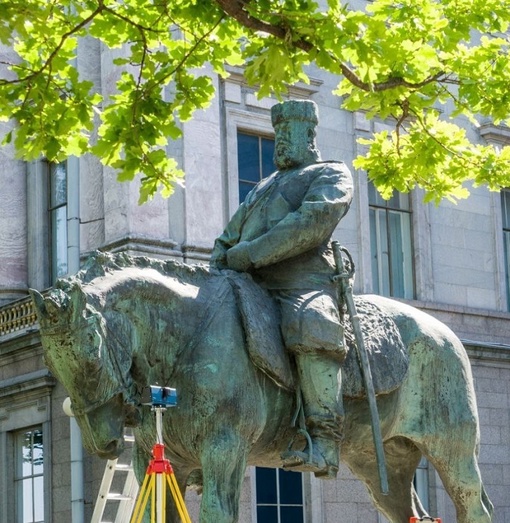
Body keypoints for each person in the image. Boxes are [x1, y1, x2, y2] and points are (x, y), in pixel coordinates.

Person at [210, 100, 353, 479]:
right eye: (279, 135)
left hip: (302, 283)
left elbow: (310, 224)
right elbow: (228, 237)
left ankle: (323, 441)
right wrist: (220, 263)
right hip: (249, 284)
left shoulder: (330, 174)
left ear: (309, 135)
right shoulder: (262, 187)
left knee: (312, 321)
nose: (281, 143)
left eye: (288, 134)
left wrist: (250, 254)